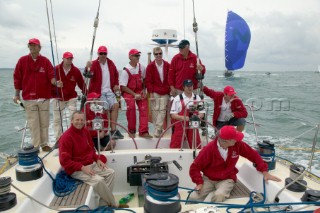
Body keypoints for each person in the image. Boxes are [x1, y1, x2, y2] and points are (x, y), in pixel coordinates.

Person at [189, 125, 281, 203]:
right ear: (225, 141)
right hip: (209, 179)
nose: (237, 140)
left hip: (227, 178)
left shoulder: (238, 145)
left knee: (219, 195)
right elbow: (195, 167)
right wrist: (199, 183)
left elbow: (253, 155)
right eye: (234, 138)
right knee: (193, 198)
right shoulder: (208, 149)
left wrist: (265, 171)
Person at [59, 111, 128, 208]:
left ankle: (103, 204)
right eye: (77, 120)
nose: (80, 122)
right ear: (71, 121)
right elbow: (64, 161)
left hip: (90, 164)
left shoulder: (85, 131)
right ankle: (113, 204)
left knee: (111, 173)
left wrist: (97, 159)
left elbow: (91, 149)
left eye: (82, 120)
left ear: (85, 121)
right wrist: (82, 167)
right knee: (98, 181)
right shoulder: (66, 137)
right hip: (76, 169)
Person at [13, 38, 61, 152]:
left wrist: (56, 82)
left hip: (44, 98)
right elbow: (17, 78)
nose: (32, 47)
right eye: (30, 45)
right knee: (33, 123)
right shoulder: (22, 61)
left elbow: (51, 75)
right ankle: (36, 146)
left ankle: (44, 144)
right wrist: (16, 94)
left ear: (39, 47)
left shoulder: (45, 61)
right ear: (28, 47)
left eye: (35, 45)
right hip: (29, 98)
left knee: (44, 122)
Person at [86, 46, 124, 139]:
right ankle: (106, 130)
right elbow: (88, 76)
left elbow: (116, 75)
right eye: (101, 53)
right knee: (105, 107)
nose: (103, 55)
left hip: (109, 91)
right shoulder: (94, 64)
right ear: (98, 54)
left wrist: (116, 84)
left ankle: (113, 130)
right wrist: (87, 68)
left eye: (104, 53)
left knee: (115, 105)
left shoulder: (111, 63)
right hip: (98, 92)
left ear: (107, 54)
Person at [52, 52, 85, 142]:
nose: (69, 60)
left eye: (70, 58)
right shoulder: (56, 69)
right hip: (58, 97)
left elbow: (81, 84)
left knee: (74, 117)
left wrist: (87, 93)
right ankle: (58, 139)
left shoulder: (76, 71)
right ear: (63, 59)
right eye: (67, 58)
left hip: (71, 97)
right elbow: (50, 81)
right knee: (57, 119)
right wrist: (56, 84)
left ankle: (74, 137)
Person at [120, 49, 152, 138]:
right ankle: (132, 131)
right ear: (130, 57)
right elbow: (123, 87)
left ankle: (144, 131)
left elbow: (145, 79)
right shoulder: (125, 70)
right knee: (131, 107)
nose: (138, 57)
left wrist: (144, 90)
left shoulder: (142, 67)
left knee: (144, 106)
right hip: (128, 92)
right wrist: (134, 95)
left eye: (138, 56)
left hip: (139, 90)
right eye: (136, 56)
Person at [170, 79, 205, 148]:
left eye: (191, 86)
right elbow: (173, 115)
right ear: (183, 87)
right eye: (187, 86)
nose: (190, 88)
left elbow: (202, 113)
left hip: (193, 124)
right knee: (175, 144)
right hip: (181, 124)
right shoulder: (177, 99)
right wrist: (183, 118)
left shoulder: (197, 98)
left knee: (196, 144)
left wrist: (197, 117)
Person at [145, 47, 170, 137]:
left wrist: (170, 89)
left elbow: (170, 78)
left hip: (165, 91)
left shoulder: (167, 65)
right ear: (154, 55)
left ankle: (158, 129)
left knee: (162, 110)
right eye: (156, 54)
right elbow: (148, 81)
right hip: (154, 91)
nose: (158, 55)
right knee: (155, 110)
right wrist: (151, 93)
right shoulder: (150, 67)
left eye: (160, 53)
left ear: (162, 54)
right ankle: (157, 130)